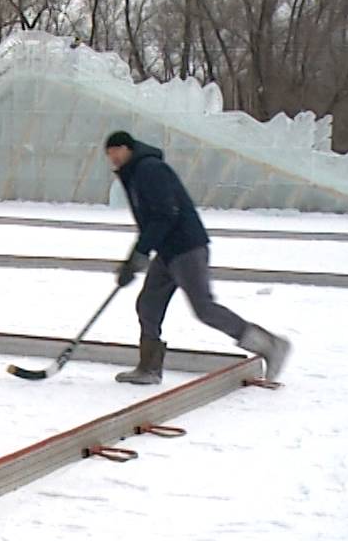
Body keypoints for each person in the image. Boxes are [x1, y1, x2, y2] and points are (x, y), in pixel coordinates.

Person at [104, 131, 291, 384]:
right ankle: (148, 368)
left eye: (114, 151)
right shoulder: (135, 173)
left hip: (186, 248)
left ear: (127, 148)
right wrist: (137, 257)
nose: (111, 158)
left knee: (204, 308)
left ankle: (270, 345)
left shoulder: (150, 169)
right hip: (168, 250)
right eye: (108, 154)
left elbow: (166, 213)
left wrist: (139, 253)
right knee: (148, 304)